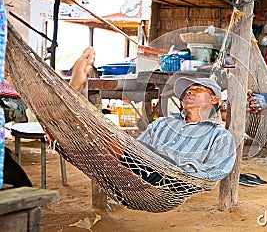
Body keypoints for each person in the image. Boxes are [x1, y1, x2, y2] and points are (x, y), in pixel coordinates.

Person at [69, 47, 236, 183]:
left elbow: (217, 171)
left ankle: (75, 100)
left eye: (197, 90)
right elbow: (135, 151)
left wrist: (181, 168)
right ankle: (72, 113)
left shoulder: (219, 136)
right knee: (87, 146)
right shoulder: (162, 124)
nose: (188, 94)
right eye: (187, 92)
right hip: (137, 174)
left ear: (214, 99)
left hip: (174, 180)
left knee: (114, 140)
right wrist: (150, 154)